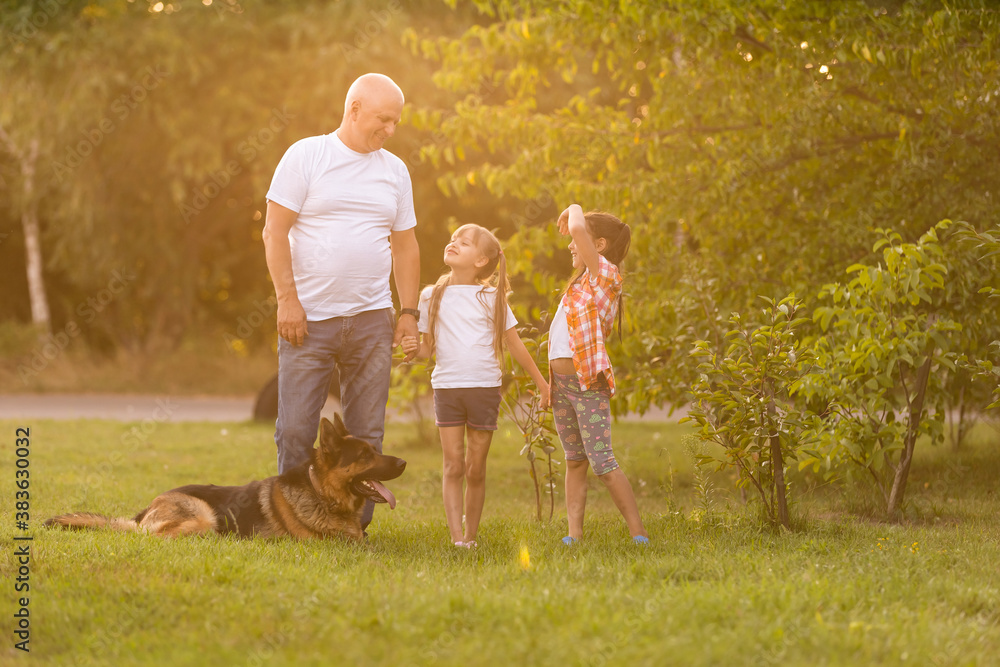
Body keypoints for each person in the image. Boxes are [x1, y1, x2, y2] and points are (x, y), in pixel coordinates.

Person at [262, 73, 420, 533]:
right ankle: (295, 524)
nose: (390, 129)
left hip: (372, 320)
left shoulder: (395, 170)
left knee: (367, 433)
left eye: (396, 122)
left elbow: (406, 247)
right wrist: (287, 300)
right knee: (295, 430)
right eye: (383, 119)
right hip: (308, 320)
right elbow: (275, 231)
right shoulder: (306, 156)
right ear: (353, 109)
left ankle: (353, 528)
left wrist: (408, 314)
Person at [401, 225, 549, 548]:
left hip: (483, 389)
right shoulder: (431, 295)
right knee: (453, 464)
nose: (453, 243)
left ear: (481, 260)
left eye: (463, 243)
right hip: (448, 389)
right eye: (453, 238)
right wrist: (412, 349)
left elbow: (516, 345)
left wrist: (542, 383)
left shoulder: (491, 298)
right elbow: (427, 350)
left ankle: (472, 535)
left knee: (475, 468)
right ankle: (458, 541)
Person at [547, 204, 649, 545]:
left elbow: (577, 229)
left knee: (602, 463)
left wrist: (574, 208)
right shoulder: (578, 286)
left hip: (587, 384)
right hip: (562, 385)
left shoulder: (605, 277)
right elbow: (560, 341)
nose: (571, 246)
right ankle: (574, 535)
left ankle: (638, 533)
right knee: (574, 461)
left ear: (599, 245)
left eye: (581, 241)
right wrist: (550, 384)